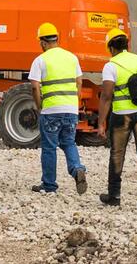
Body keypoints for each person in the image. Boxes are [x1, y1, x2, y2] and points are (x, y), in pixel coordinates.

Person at [95, 27, 137, 208]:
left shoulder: (111, 65)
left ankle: (114, 196)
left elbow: (106, 96)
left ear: (111, 47)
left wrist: (100, 124)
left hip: (122, 115)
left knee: (117, 153)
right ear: (127, 45)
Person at [28, 22, 88, 194]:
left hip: (51, 110)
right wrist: (73, 103)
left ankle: (49, 185)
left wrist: (40, 107)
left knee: (49, 147)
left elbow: (34, 87)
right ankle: (77, 169)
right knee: (69, 142)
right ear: (57, 39)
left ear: (43, 42)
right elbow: (79, 82)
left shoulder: (40, 60)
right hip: (70, 109)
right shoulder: (71, 57)